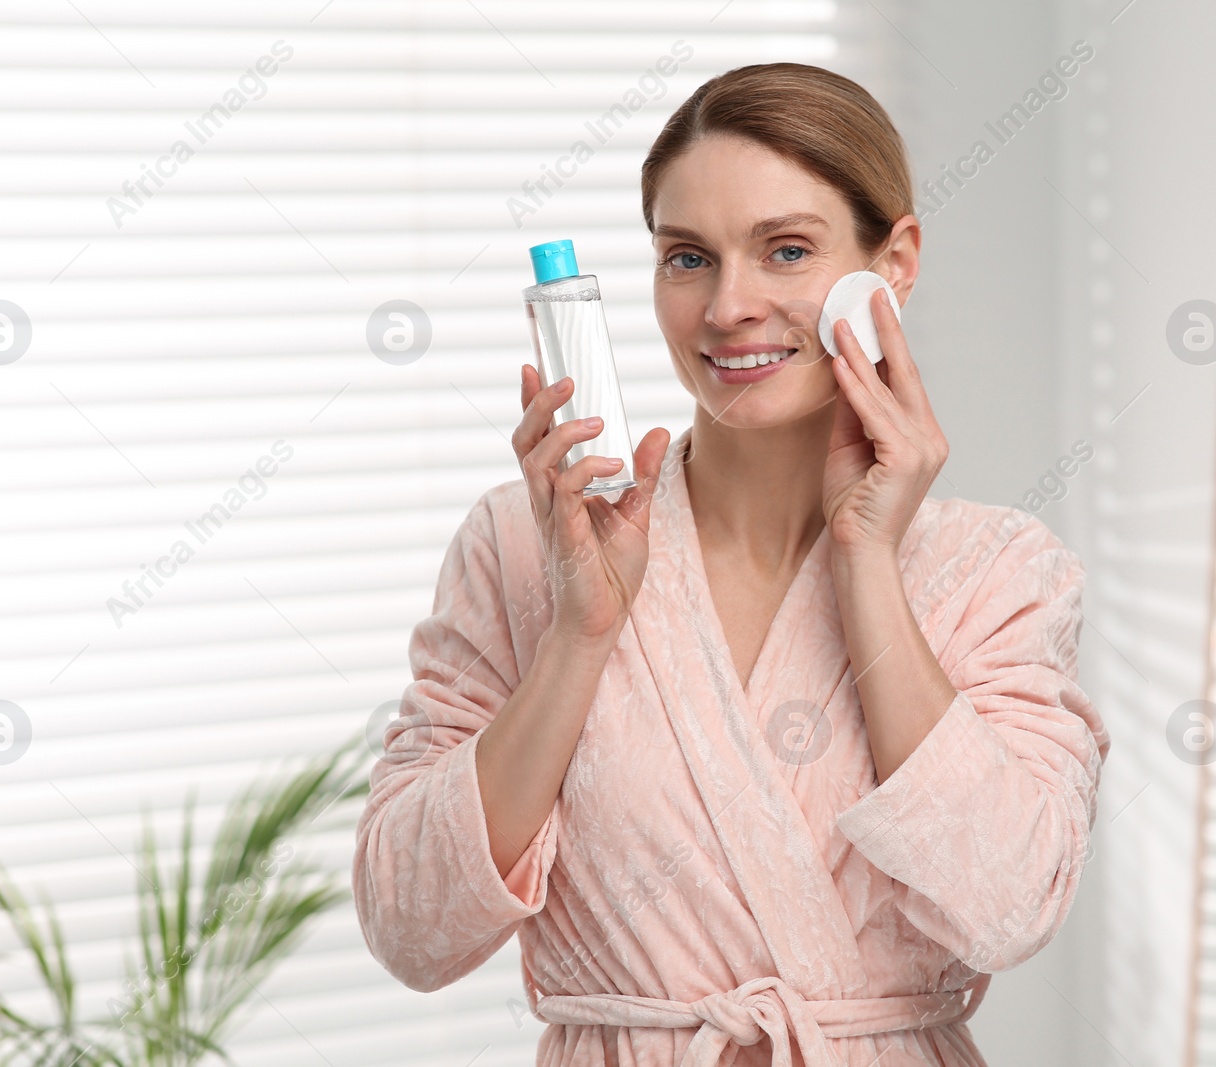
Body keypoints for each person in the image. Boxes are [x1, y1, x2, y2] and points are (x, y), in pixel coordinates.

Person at [353, 61, 1111, 1067]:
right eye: (686, 258)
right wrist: (579, 631)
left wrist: (868, 564)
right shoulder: (523, 543)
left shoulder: (999, 572)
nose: (728, 306)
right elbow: (411, 926)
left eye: (785, 250)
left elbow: (1010, 905)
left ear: (893, 263)